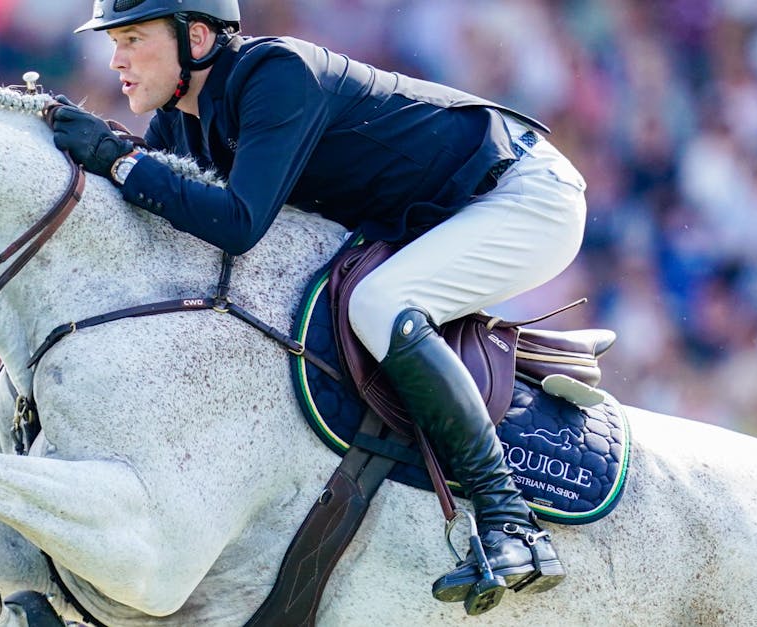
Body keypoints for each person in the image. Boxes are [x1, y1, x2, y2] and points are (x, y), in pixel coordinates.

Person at [50, 0, 587, 612]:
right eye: (113, 43)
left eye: (132, 39)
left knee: (380, 303)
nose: (115, 60)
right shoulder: (182, 123)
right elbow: (171, 225)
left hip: (521, 196)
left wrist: (119, 160)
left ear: (196, 37)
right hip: (439, 217)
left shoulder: (275, 74)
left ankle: (509, 520)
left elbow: (238, 224)